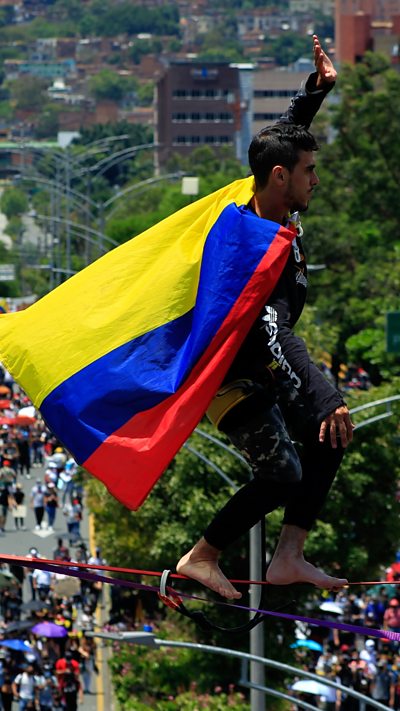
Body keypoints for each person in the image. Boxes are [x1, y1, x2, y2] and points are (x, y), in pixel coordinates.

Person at [176, 35, 353, 599]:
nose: (314, 180)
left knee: (328, 439)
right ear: (280, 177)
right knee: (282, 474)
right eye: (307, 172)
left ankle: (288, 557)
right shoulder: (258, 246)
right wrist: (326, 395)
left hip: (260, 370)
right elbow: (275, 327)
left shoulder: (259, 198)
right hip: (230, 379)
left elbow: (277, 139)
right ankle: (201, 557)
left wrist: (314, 92)